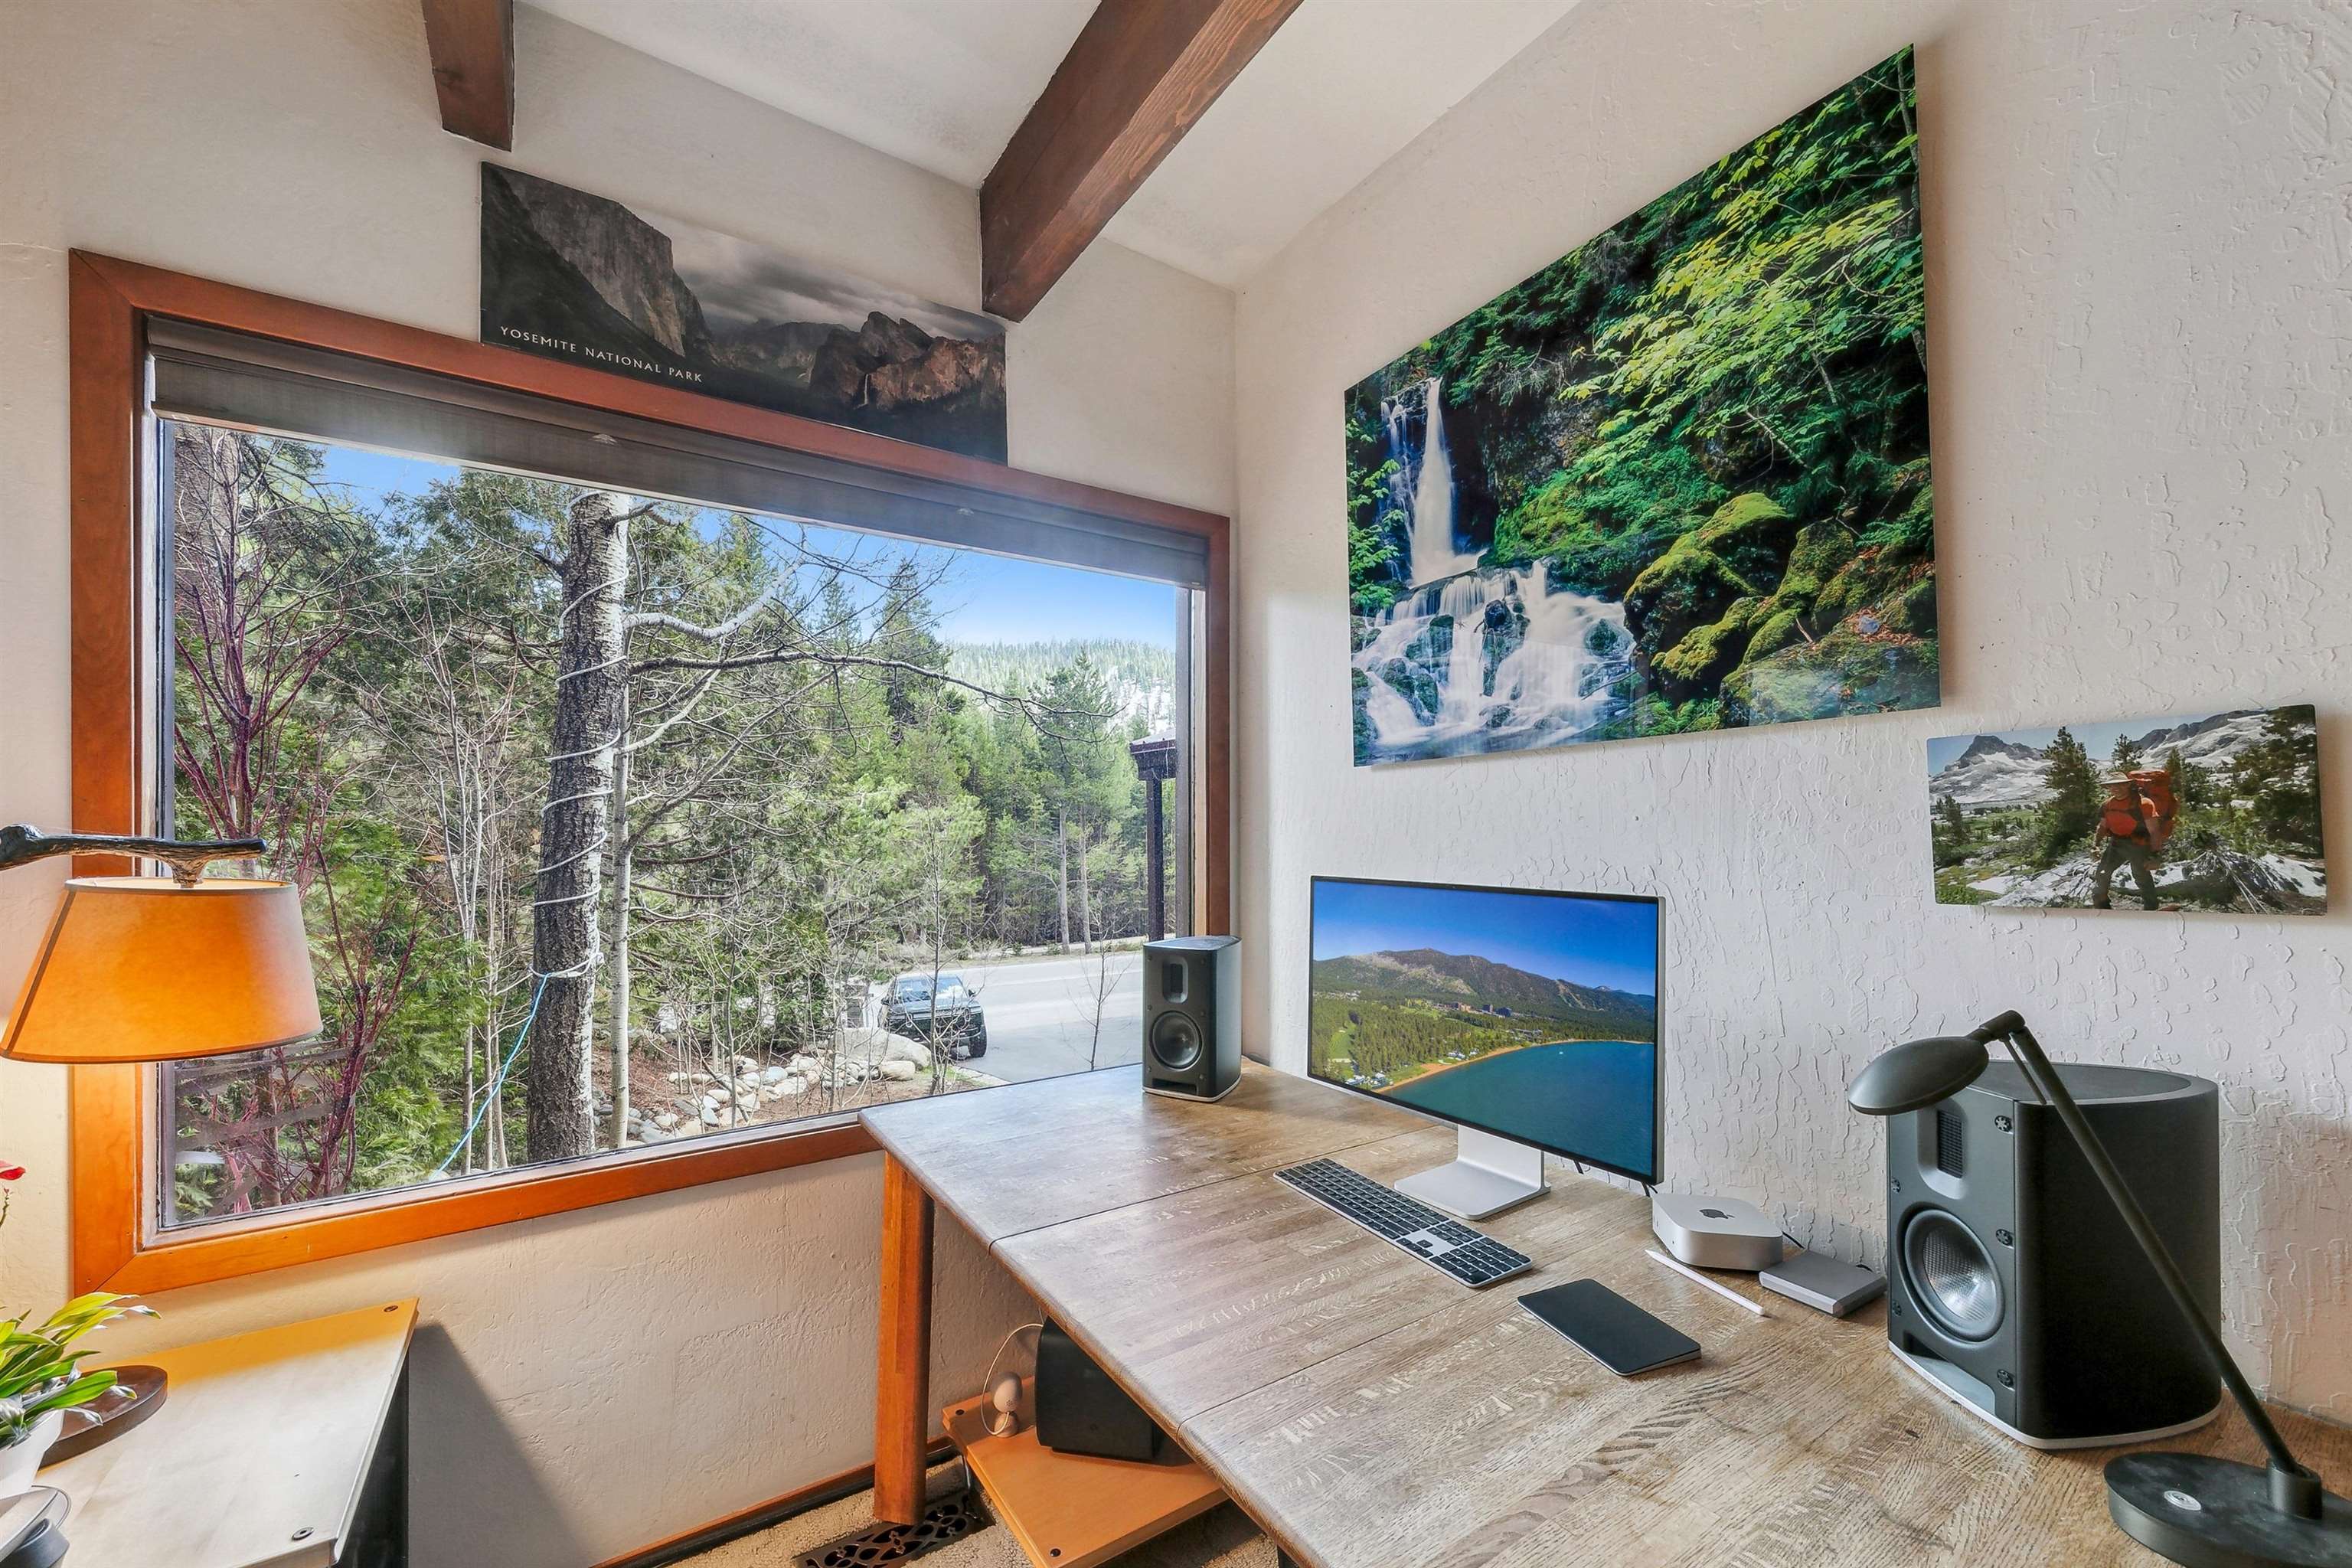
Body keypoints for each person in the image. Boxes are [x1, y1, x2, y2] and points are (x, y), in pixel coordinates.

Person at [2090, 773, 2163, 910]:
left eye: (2120, 784)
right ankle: (2104, 908)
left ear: (2128, 784)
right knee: (2102, 874)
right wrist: (2095, 845)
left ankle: (2152, 908)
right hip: (2116, 843)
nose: (2116, 788)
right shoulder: (2107, 805)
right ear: (2108, 788)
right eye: (2112, 785)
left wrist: (2155, 855)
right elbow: (2103, 826)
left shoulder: (2144, 804)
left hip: (2138, 845)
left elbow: (2154, 831)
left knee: (2141, 877)